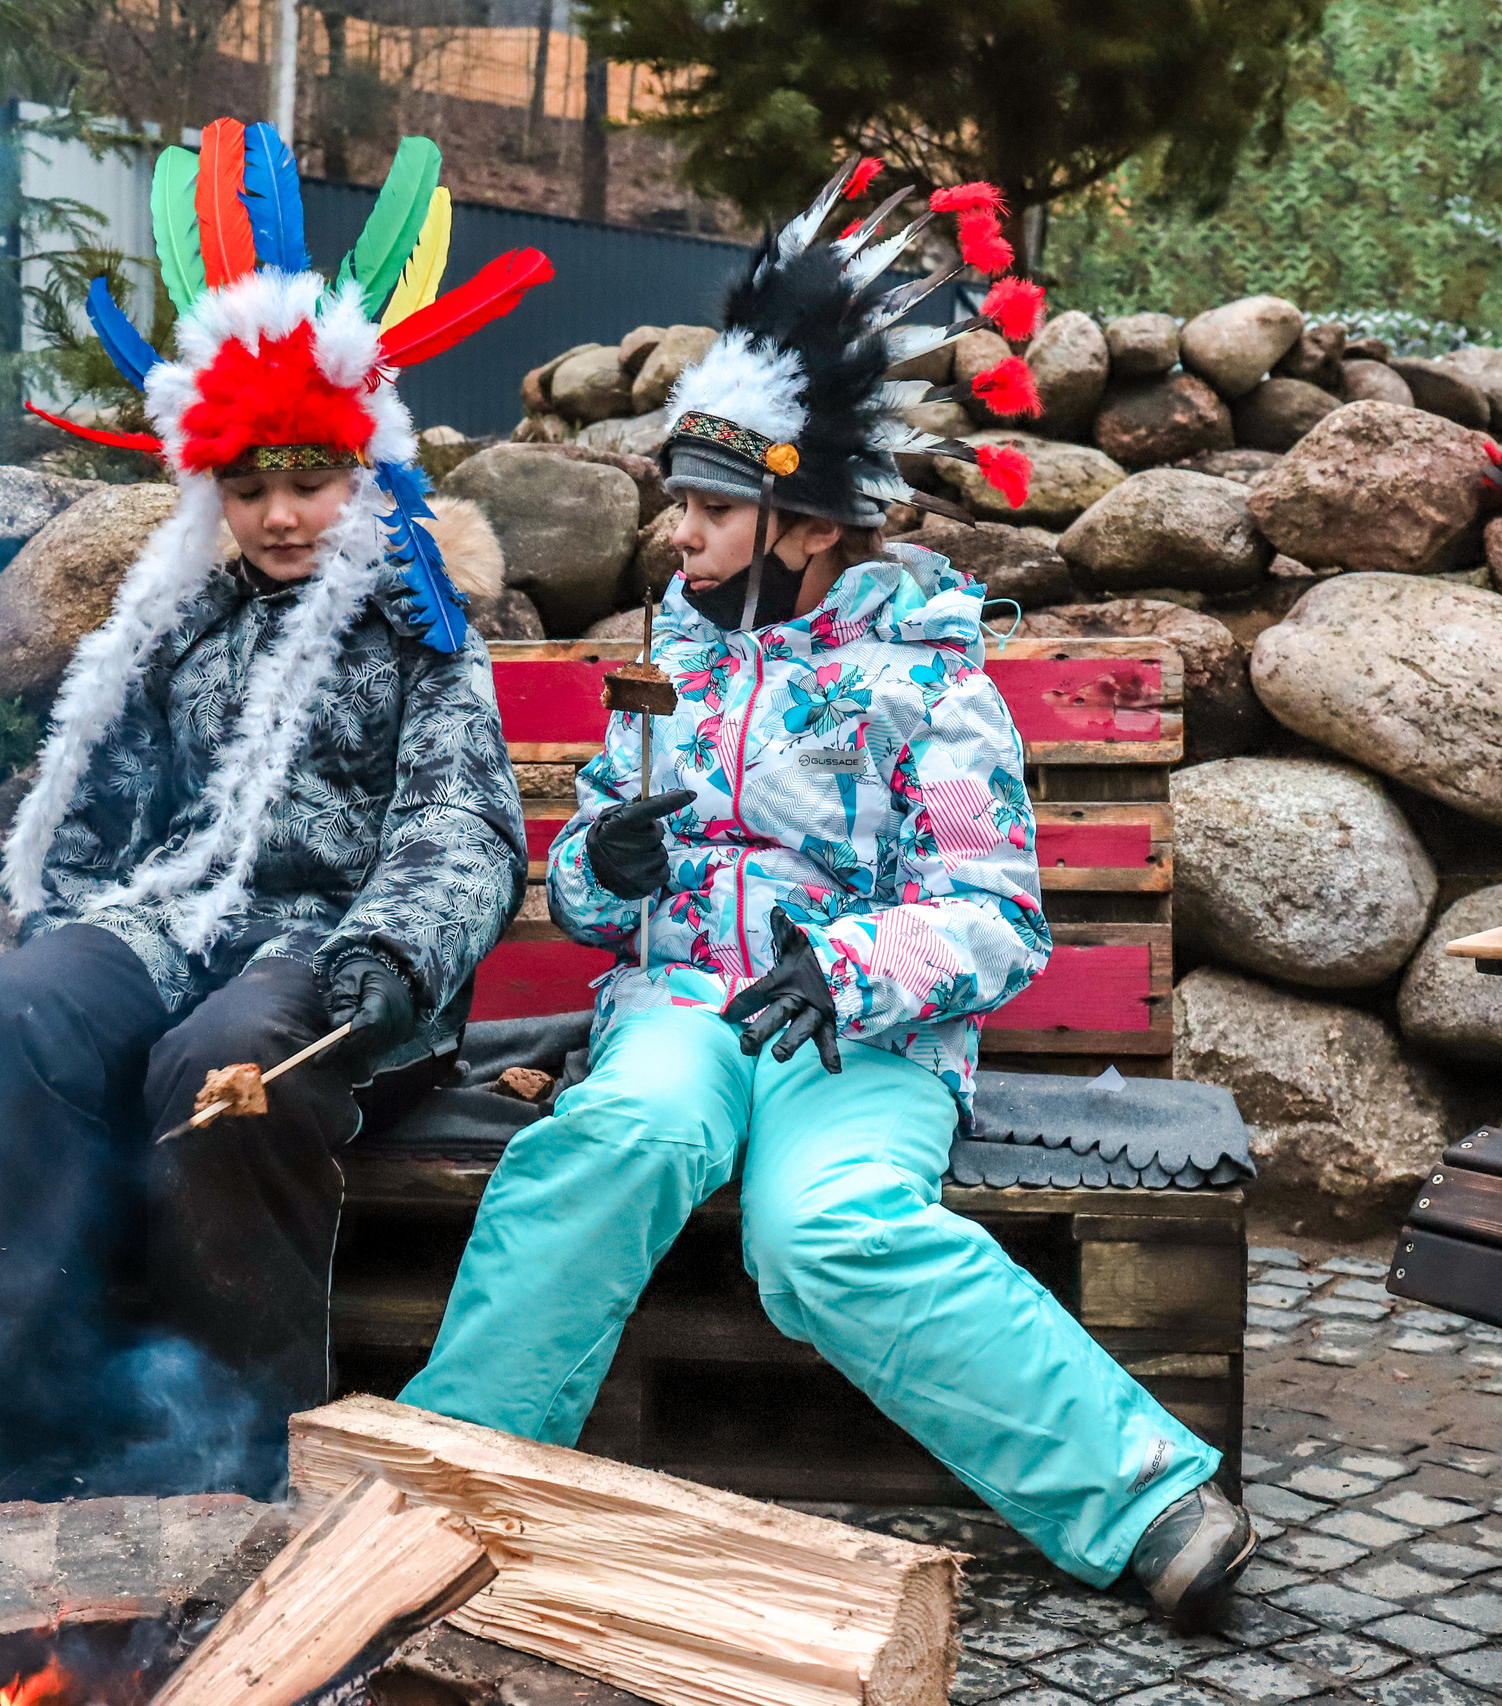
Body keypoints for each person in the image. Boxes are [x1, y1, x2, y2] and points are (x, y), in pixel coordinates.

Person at [397, 162, 1258, 1624]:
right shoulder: (674, 657)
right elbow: (606, 875)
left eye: (712, 509)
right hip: (678, 1007)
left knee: (826, 1231)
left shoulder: (929, 681)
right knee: (619, 1133)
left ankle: (1144, 1495)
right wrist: (603, 876)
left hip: (859, 1044)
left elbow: (1000, 915)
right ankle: (445, 1489)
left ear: (802, 523)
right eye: (681, 502)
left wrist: (849, 967)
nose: (679, 534)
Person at [0, 118, 545, 1517]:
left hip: (342, 960)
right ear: (215, 486)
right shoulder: (178, 622)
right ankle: (4, 1408)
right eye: (252, 488)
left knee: (218, 1062)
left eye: (311, 481)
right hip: (177, 918)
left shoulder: (417, 623)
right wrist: (72, 942)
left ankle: (236, 1430)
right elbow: (103, 817)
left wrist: (392, 957)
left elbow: (464, 823)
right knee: (3, 1020)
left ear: (360, 467)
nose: (285, 513)